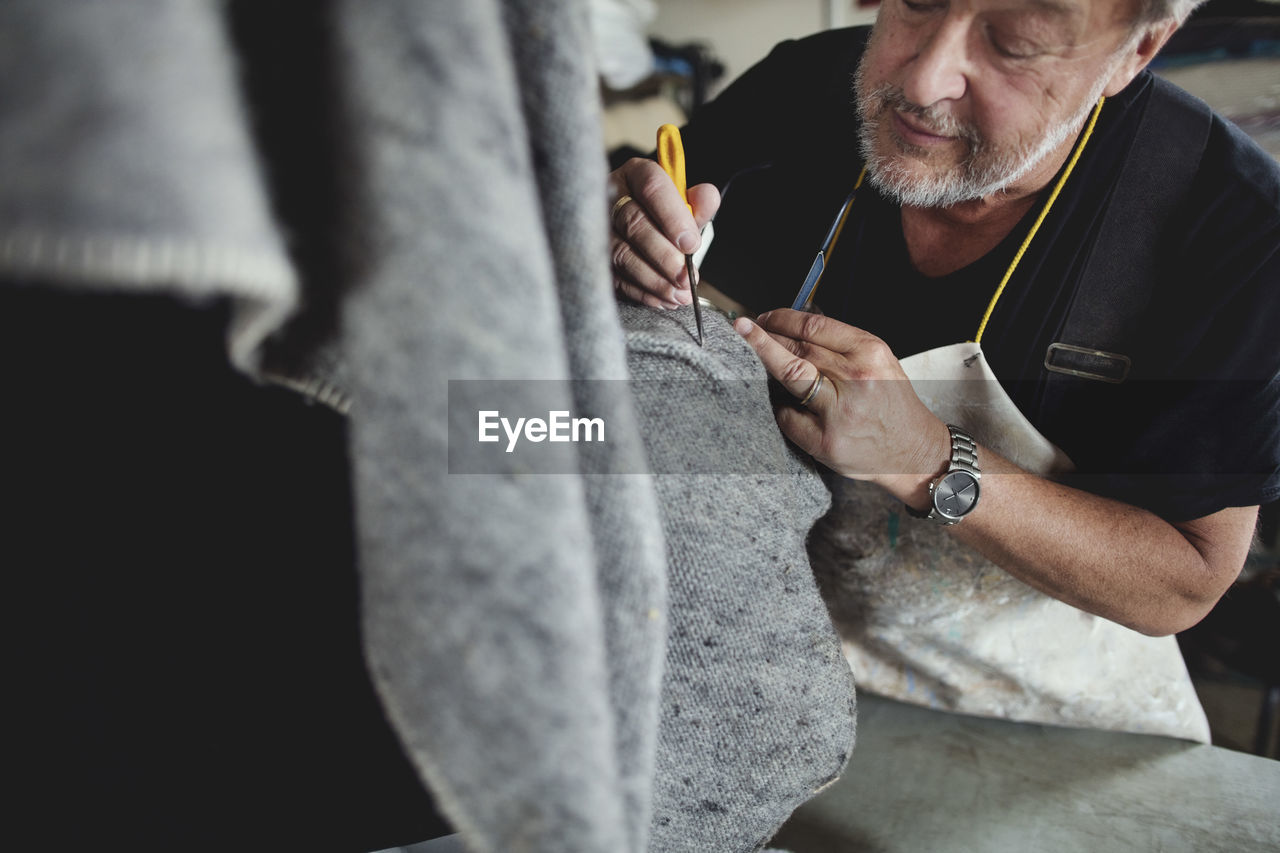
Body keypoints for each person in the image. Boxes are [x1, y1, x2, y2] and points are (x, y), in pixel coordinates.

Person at [607, 0, 1280, 740]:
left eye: (1015, 44)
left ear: (1137, 51)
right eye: (917, 2)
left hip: (1032, 728)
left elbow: (1183, 583)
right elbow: (644, 220)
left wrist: (927, 459)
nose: (924, 81)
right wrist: (616, 232)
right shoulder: (803, 86)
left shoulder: (1232, 230)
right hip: (758, 677)